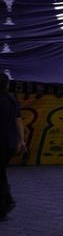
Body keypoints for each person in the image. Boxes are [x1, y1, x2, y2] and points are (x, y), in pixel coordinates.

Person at [0, 73, 24, 220]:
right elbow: (18, 120)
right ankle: (6, 203)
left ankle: (5, 204)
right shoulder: (12, 100)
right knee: (1, 173)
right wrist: (22, 140)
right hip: (9, 142)